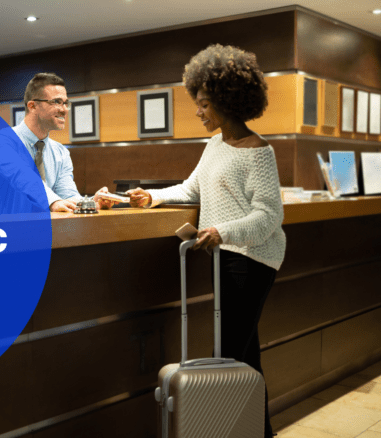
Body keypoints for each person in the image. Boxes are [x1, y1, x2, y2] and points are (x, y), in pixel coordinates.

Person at [128, 44, 285, 438]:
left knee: (232, 353)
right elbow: (192, 188)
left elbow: (269, 217)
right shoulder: (214, 145)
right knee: (245, 355)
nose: (198, 111)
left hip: (253, 260)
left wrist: (223, 231)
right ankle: (260, 432)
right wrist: (156, 196)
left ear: (228, 102)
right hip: (224, 257)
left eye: (203, 104)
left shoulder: (259, 152)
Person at [0, 73, 116, 215]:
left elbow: (67, 196)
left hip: (36, 233)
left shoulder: (60, 152)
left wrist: (91, 202)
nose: (64, 109)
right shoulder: (1, 141)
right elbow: (22, 177)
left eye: (66, 103)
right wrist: (53, 202)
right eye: (56, 102)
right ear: (32, 106)